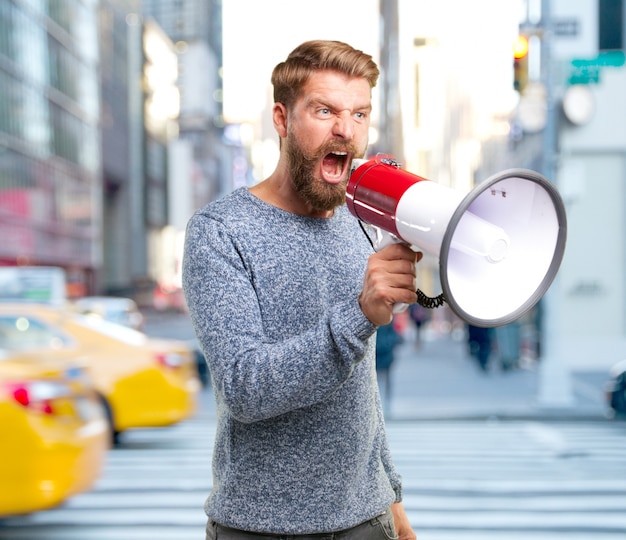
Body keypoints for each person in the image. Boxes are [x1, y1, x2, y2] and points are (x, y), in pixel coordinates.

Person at [183, 40, 419, 540]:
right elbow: (245, 388)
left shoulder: (360, 225)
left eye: (359, 113)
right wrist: (359, 315)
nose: (346, 130)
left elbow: (363, 390)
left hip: (368, 522)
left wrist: (393, 499)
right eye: (325, 110)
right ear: (283, 119)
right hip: (259, 529)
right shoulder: (220, 232)